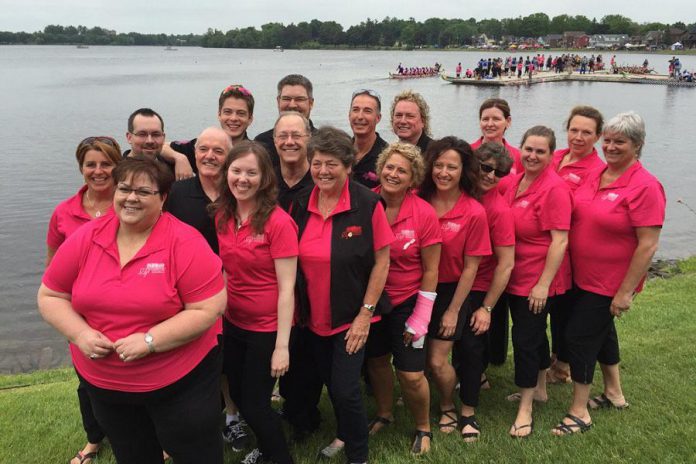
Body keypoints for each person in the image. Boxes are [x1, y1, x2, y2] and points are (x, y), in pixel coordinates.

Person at [38, 156, 227, 464]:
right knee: (133, 453)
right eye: (124, 188)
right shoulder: (88, 237)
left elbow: (209, 308)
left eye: (143, 191)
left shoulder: (184, 242)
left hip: (180, 382)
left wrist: (150, 340)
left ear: (163, 198)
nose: (130, 198)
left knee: (195, 451)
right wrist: (81, 333)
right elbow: (50, 295)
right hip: (106, 385)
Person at [552, 112, 665, 435]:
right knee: (603, 334)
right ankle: (614, 392)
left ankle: (579, 412)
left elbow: (648, 245)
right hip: (580, 275)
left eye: (620, 142)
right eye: (609, 140)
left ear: (637, 145)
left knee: (579, 338)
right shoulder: (598, 173)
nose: (611, 147)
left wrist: (625, 292)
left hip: (608, 282)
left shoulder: (645, 186)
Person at [290, 126, 393, 464]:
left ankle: (358, 456)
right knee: (332, 386)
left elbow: (382, 261)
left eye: (331, 163)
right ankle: (346, 433)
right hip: (311, 317)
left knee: (347, 390)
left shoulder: (367, 203)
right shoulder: (300, 202)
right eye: (317, 163)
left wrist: (365, 314)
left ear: (348, 166)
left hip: (351, 317)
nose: (323, 171)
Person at [212, 141, 297, 463]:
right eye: (236, 171)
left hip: (267, 328)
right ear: (227, 174)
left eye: (251, 172)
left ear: (264, 179)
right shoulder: (223, 216)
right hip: (234, 323)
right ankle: (267, 446)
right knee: (236, 391)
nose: (242, 179)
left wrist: (282, 346)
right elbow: (224, 271)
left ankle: (279, 457)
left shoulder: (278, 223)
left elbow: (287, 288)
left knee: (254, 403)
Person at [164, 127, 249, 450]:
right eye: (203, 149)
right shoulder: (177, 191)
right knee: (191, 358)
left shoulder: (239, 188)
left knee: (229, 360)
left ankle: (232, 417)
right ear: (193, 153)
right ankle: (194, 423)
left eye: (218, 150)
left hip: (236, 291)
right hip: (188, 295)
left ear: (230, 156)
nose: (209, 156)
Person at [46, 136, 122, 464]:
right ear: (81, 168)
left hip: (129, 309)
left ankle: (146, 437)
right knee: (87, 382)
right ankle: (94, 439)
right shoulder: (64, 213)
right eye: (91, 164)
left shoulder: (130, 203)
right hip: (84, 314)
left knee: (135, 377)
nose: (99, 170)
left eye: (106, 163)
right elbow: (53, 270)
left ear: (118, 165)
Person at [365, 142, 441, 454]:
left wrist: (421, 316)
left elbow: (432, 270)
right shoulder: (365, 202)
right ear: (380, 168)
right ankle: (385, 413)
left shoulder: (424, 213)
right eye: (389, 167)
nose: (393, 174)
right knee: (377, 361)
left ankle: (423, 427)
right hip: (373, 298)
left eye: (402, 171)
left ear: (413, 179)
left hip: (408, 301)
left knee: (410, 374)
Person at [418, 137, 491, 440]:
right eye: (438, 165)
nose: (443, 172)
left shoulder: (473, 212)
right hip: (417, 288)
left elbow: (471, 267)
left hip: (451, 292)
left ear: (464, 170)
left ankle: (448, 403)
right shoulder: (418, 201)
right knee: (418, 359)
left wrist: (453, 310)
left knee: (437, 361)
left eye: (452, 166)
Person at [501, 126, 572, 438]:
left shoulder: (554, 189)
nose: (532, 155)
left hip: (536, 278)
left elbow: (560, 241)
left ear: (550, 154)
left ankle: (526, 407)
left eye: (540, 151)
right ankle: (541, 389)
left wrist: (543, 284)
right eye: (528, 149)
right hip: (514, 275)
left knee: (526, 341)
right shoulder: (516, 181)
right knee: (534, 335)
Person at [547, 106, 606, 385]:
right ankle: (556, 360)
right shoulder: (555, 157)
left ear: (598, 137)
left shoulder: (598, 170)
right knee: (554, 310)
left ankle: (562, 366)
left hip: (571, 253)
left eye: (586, 132)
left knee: (565, 312)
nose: (578, 137)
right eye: (574, 130)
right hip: (543, 248)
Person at [471, 143, 515, 396]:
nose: (490, 175)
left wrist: (487, 307)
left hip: (479, 284)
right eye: (486, 168)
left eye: (499, 173)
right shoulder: (460, 194)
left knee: (473, 342)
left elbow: (506, 263)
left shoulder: (499, 210)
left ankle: (476, 381)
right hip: (453, 279)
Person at [162, 84, 255, 177]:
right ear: (219, 115)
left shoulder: (256, 154)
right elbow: (162, 146)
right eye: (227, 112)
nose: (233, 118)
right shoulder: (201, 148)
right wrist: (179, 158)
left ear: (250, 119)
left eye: (241, 113)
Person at [255, 74, 316, 167]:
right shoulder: (262, 143)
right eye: (286, 99)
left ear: (311, 103)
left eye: (299, 99)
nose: (292, 105)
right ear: (278, 102)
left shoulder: (324, 142)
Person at [124, 108, 192, 180]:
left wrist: (180, 158)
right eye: (142, 134)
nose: (149, 141)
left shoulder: (174, 169)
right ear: (129, 137)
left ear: (163, 137)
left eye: (156, 134)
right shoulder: (117, 173)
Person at [470, 98, 523, 176]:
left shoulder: (518, 157)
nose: (490, 124)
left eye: (496, 119)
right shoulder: (468, 152)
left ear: (508, 121)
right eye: (485, 119)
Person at [273, 112, 315, 211]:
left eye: (296, 136)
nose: (289, 142)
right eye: (283, 136)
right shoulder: (265, 183)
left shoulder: (319, 183)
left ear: (309, 139)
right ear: (275, 140)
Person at [349, 89, 388, 188]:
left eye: (367, 111)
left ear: (378, 118)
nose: (360, 116)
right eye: (355, 110)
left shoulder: (387, 156)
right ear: (349, 115)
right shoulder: (340, 151)